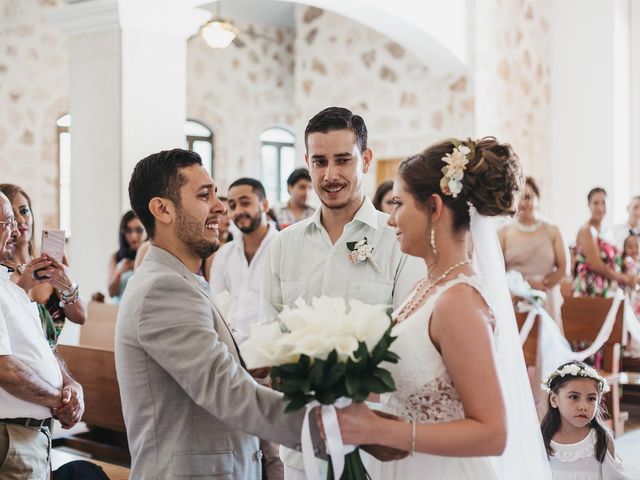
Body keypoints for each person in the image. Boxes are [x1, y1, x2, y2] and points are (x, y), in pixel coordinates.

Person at [320, 138, 551, 479]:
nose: (390, 219)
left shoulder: (459, 300)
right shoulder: (427, 286)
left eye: (398, 204)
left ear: (434, 207)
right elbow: (416, 381)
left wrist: (380, 431)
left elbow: (493, 433)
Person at [115, 148, 325, 480]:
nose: (220, 207)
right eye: (204, 196)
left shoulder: (181, 279)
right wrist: (329, 429)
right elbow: (226, 391)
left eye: (216, 194)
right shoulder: (163, 289)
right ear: (162, 209)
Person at [262, 107, 425, 479]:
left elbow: (408, 344)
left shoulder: (398, 239)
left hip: (374, 446)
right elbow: (270, 334)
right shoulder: (284, 246)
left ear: (365, 160)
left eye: (343, 160)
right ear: (307, 162)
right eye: (319, 162)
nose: (330, 175)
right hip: (301, 444)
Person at [0, 191, 84, 478]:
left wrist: (72, 385)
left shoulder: (13, 287)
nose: (17, 228)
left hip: (36, 434)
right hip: (12, 437)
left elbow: (45, 349)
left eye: (19, 216)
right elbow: (5, 369)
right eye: (7, 222)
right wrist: (60, 399)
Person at [0, 183, 87, 348]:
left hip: (54, 363)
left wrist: (66, 283)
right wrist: (23, 287)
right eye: (12, 215)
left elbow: (81, 317)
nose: (20, 220)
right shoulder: (2, 274)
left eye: (24, 211)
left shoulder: (48, 265)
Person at [211, 178, 276, 344]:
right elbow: (216, 308)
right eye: (232, 206)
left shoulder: (284, 246)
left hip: (272, 352)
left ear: (265, 205)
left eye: (245, 203)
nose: (238, 211)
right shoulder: (224, 254)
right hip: (230, 352)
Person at [540, 361, 630, 479]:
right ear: (554, 399)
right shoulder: (540, 436)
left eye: (591, 398)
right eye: (574, 397)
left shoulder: (601, 439)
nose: (583, 406)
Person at [498, 177, 566, 326]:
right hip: (514, 299)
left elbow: (563, 267)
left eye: (528, 197)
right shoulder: (503, 233)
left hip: (546, 296)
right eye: (519, 198)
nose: (523, 203)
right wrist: (521, 288)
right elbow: (497, 271)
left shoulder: (552, 231)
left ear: (538, 198)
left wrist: (543, 284)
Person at [573, 188, 637, 297]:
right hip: (590, 289)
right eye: (595, 203)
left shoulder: (607, 230)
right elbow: (596, 265)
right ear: (589, 205)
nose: (600, 207)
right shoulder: (587, 230)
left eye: (604, 202)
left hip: (606, 288)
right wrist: (624, 278)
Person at [107, 210, 147, 303]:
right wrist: (118, 272)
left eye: (139, 230)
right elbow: (111, 293)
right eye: (129, 231)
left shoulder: (152, 254)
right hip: (120, 311)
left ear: (146, 230)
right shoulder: (116, 257)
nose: (134, 236)